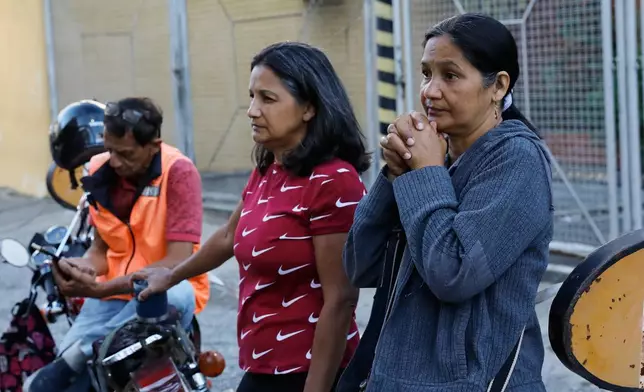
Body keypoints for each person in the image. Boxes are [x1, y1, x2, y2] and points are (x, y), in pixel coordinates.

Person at [132, 41, 370, 392]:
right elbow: (230, 236)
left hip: (308, 371)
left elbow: (341, 299)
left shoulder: (333, 181)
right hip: (263, 363)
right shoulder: (270, 170)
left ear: (309, 108)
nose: (252, 110)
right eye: (252, 96)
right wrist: (171, 276)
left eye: (268, 99)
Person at [344, 13, 554, 392]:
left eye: (450, 75)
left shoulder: (516, 159)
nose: (430, 91)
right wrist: (393, 177)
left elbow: (453, 273)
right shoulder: (437, 156)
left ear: (498, 86)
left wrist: (424, 174)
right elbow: (361, 265)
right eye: (426, 74)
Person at [26, 97, 210, 391]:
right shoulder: (99, 168)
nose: (115, 161)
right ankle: (88, 350)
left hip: (166, 291)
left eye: (125, 153)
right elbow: (101, 249)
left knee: (174, 294)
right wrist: (82, 266)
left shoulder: (179, 172)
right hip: (113, 298)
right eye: (109, 148)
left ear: (153, 145)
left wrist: (100, 288)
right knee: (47, 386)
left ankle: (86, 349)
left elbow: (177, 261)